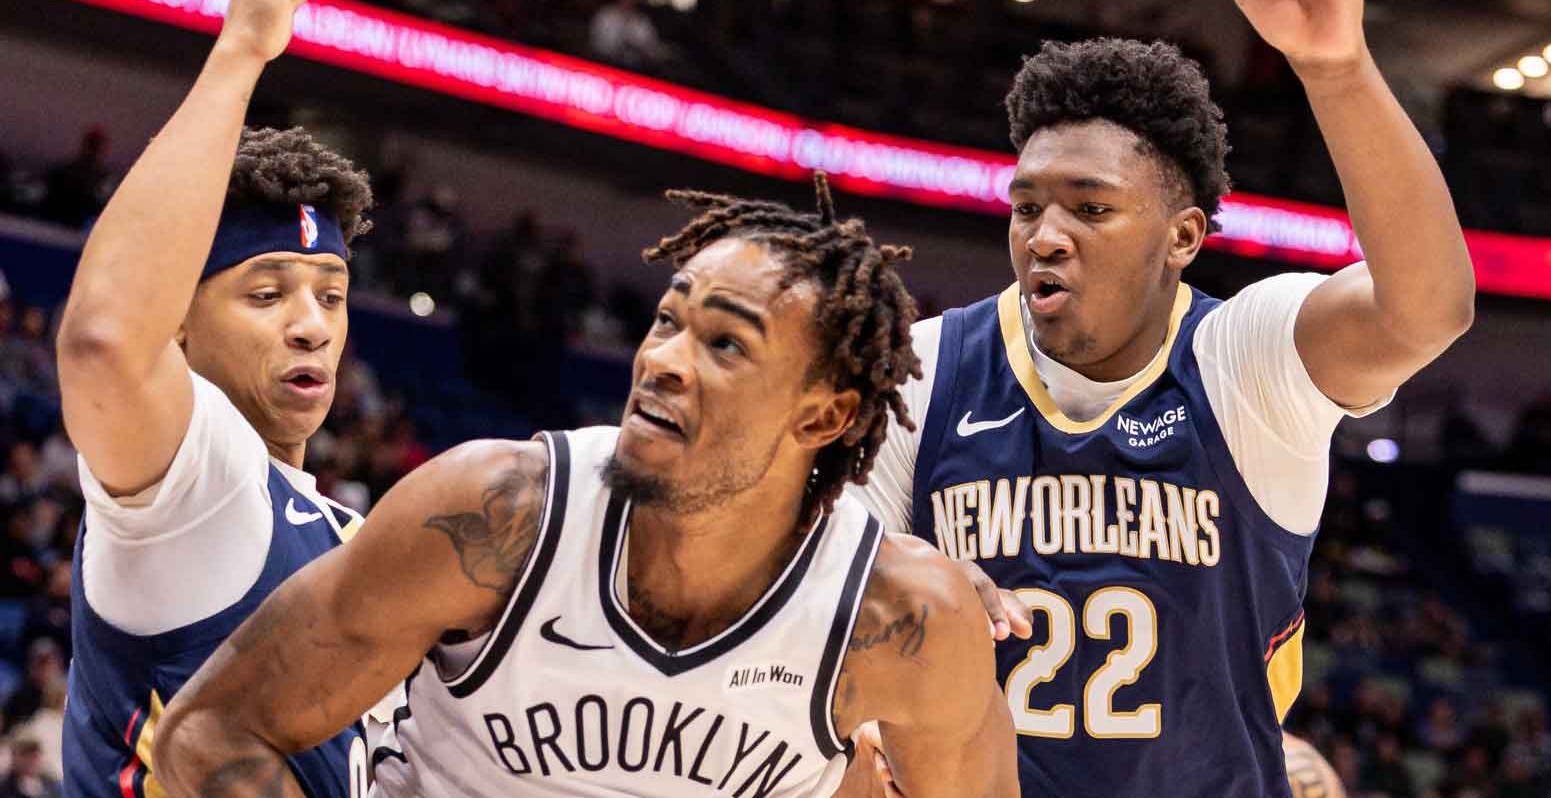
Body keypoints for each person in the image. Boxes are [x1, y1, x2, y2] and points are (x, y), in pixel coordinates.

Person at [849, 0, 1476, 795]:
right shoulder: (926, 366)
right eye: (1027, 207)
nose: (1046, 235)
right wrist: (889, 570)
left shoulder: (1241, 358)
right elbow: (823, 594)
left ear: (1182, 237)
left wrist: (1334, 67)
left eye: (1091, 208)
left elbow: (1428, 309)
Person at [151, 177, 1021, 798]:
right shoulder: (498, 513)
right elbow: (209, 730)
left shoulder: (905, 618)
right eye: (669, 319)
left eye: (726, 346)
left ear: (822, 418)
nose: (664, 362)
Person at [54, 0, 382, 796]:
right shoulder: (197, 482)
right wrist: (242, 48)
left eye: (332, 295)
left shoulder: (354, 532)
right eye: (267, 294)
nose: (312, 323)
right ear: (183, 324)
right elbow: (103, 340)